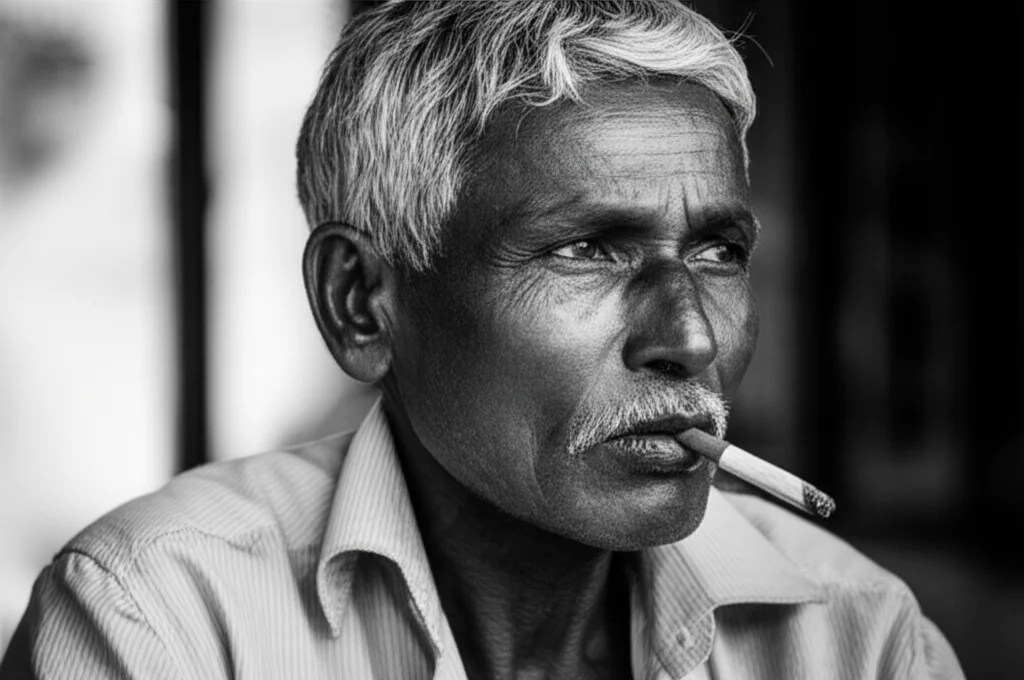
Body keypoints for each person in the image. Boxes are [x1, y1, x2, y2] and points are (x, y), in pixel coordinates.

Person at [1, 1, 965, 678]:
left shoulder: (860, 640)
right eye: (589, 249)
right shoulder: (161, 623)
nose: (688, 337)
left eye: (717, 252)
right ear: (362, 303)